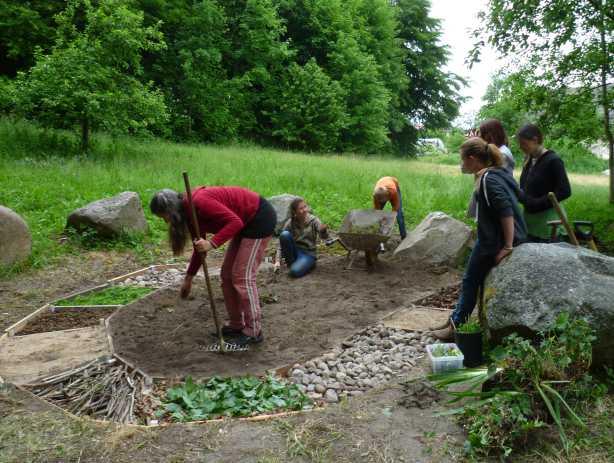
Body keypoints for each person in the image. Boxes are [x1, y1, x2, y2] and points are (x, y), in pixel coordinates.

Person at [150, 186, 276, 346]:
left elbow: (235, 222)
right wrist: (188, 278)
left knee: (242, 277)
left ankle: (254, 331)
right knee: (227, 275)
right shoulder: (189, 214)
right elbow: (199, 249)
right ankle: (237, 325)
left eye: (165, 216)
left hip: (258, 218)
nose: (166, 221)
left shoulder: (200, 202)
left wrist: (212, 243)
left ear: (172, 209)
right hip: (244, 223)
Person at [432, 138, 527, 340]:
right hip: (497, 237)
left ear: (472, 159)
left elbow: (506, 212)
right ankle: (454, 319)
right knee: (471, 280)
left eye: (462, 160)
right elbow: (519, 197)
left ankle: (455, 326)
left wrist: (508, 246)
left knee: (469, 281)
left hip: (493, 242)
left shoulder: (488, 179)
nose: (462, 164)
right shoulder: (499, 172)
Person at [517, 123, 571, 242]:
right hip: (530, 222)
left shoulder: (553, 160)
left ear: (535, 140)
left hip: (549, 224)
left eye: (523, 144)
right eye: (520, 144)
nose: (521, 147)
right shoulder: (529, 160)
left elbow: (565, 191)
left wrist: (537, 203)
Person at [273, 198, 329, 278]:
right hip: (295, 251)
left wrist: (323, 231)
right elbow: (280, 243)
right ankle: (293, 265)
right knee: (284, 235)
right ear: (295, 212)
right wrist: (277, 261)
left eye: (305, 207)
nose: (305, 210)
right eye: (301, 208)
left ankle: (306, 264)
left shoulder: (314, 220)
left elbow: (325, 238)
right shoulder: (290, 222)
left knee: (294, 272)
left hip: (308, 254)